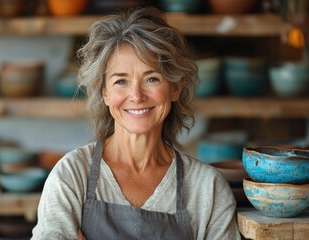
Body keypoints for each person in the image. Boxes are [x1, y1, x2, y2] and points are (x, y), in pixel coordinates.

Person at [32, 6, 241, 240]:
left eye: (151, 78)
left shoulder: (207, 189)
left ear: (175, 88)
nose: (137, 95)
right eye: (121, 81)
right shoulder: (72, 176)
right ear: (104, 93)